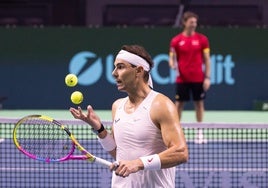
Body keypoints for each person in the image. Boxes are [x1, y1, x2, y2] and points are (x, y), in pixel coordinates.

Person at [70, 45, 188, 187]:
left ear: (138, 70)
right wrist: (99, 129)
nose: (114, 73)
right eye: (115, 67)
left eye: (120, 67)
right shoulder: (117, 106)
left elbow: (181, 152)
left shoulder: (161, 105)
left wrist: (138, 163)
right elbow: (118, 154)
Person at [169, 11, 211, 143]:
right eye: (191, 22)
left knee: (199, 104)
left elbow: (207, 59)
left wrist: (207, 77)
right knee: (179, 105)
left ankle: (199, 132)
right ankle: (176, 131)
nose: (194, 24)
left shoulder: (202, 39)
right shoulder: (176, 41)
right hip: (182, 79)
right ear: (184, 23)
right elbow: (171, 57)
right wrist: (172, 64)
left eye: (195, 22)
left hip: (198, 78)